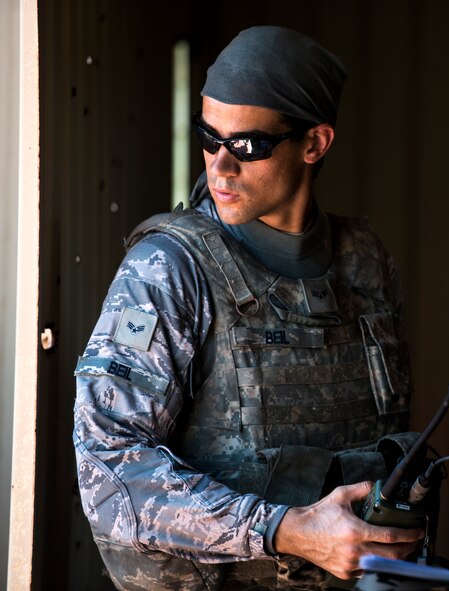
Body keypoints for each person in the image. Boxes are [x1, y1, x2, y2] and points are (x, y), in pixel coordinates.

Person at [73, 26, 425, 591]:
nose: (220, 166)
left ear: (314, 144)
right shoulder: (169, 270)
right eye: (209, 138)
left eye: (248, 146)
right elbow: (107, 468)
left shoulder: (366, 264)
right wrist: (283, 529)